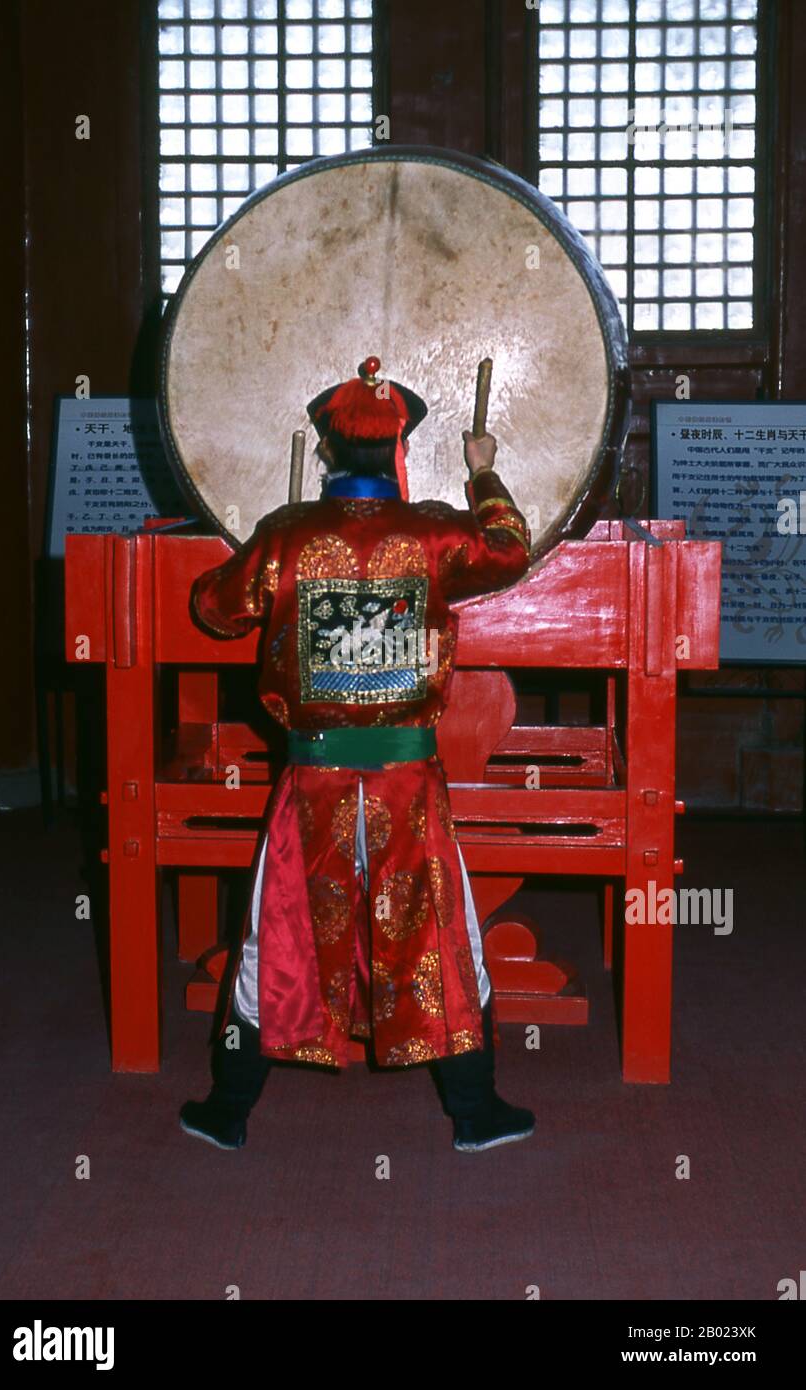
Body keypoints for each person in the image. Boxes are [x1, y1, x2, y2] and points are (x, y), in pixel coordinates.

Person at [180, 355, 536, 1154]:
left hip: (314, 781)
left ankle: (228, 1110)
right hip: (409, 780)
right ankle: (474, 1114)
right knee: (443, 936)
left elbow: (214, 607)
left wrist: (269, 546)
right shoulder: (438, 532)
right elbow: (508, 550)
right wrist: (484, 473)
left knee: (276, 940)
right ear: (399, 447)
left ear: (328, 452)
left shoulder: (286, 534)